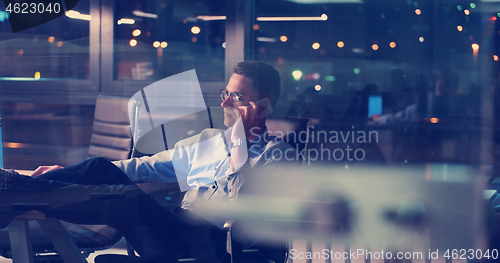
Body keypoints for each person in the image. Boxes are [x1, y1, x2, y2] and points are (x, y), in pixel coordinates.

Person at [0, 61, 295, 262]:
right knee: (100, 166)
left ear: (261, 104)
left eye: (236, 96)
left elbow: (241, 210)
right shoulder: (209, 140)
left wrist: (242, 141)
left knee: (126, 200)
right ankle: (16, 190)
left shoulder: (277, 156)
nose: (224, 103)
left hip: (217, 243)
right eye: (226, 93)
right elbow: (144, 166)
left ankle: (17, 194)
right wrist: (65, 175)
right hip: (177, 224)